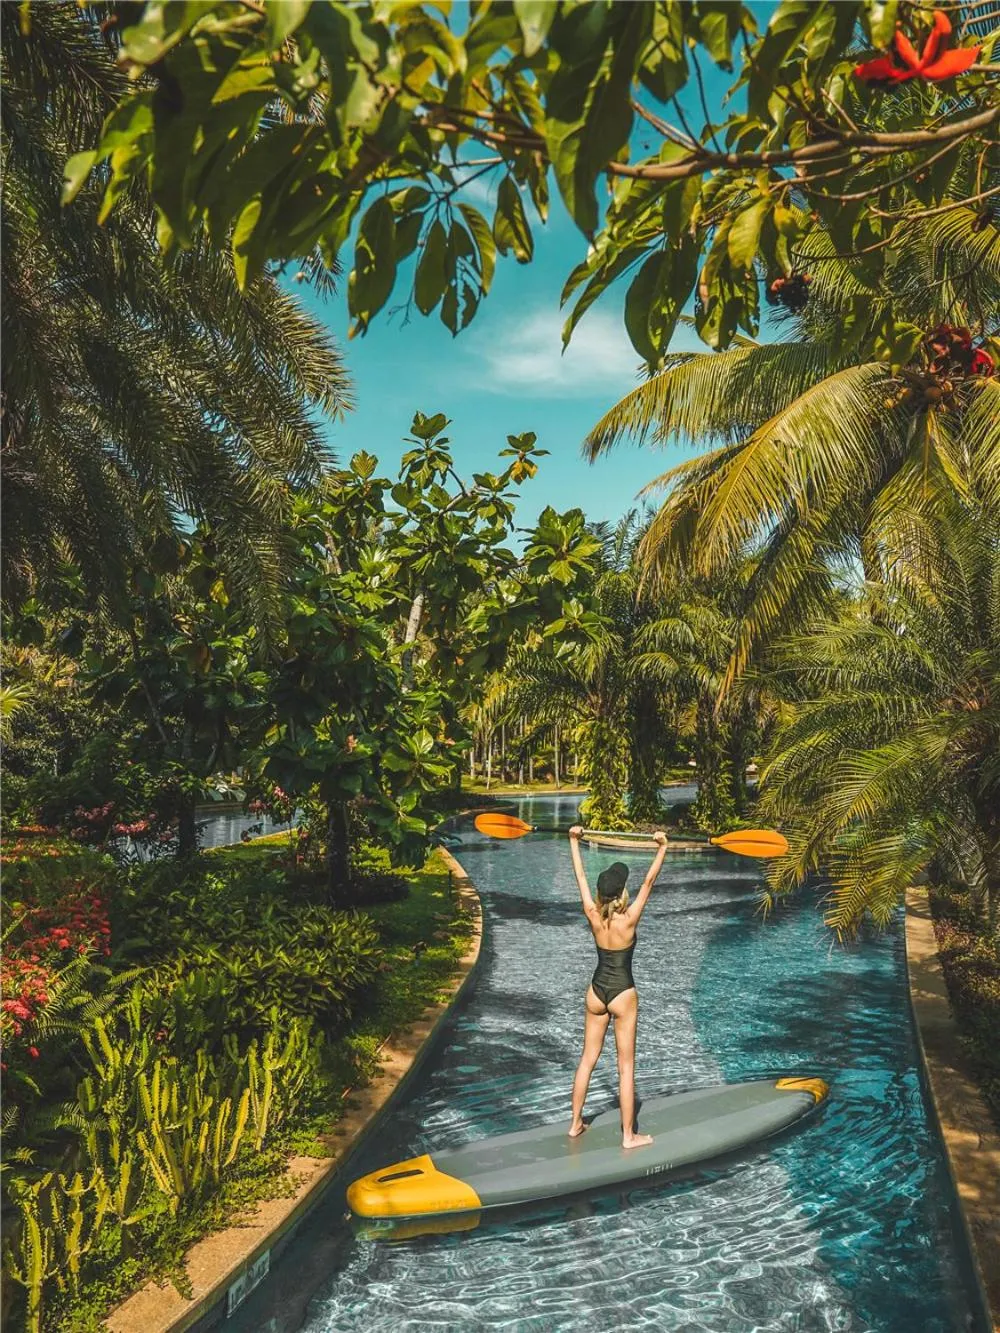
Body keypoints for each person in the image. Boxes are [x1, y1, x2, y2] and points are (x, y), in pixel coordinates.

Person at [566, 825, 669, 1149]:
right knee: (626, 1068)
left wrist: (573, 841)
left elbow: (580, 878)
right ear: (623, 892)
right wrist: (662, 847)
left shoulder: (593, 915)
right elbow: (650, 881)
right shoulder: (630, 918)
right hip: (623, 993)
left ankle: (575, 1124)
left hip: (596, 991)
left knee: (587, 1059)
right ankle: (628, 1136)